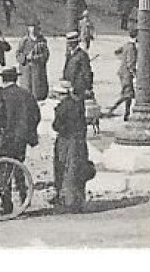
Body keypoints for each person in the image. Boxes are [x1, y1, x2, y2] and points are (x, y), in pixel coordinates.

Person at [0, 65, 40, 215]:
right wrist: (28, 133)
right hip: (21, 140)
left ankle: (7, 205)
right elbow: (36, 116)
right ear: (16, 78)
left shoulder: (1, 94)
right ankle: (24, 199)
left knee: (4, 172)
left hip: (5, 140)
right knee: (19, 167)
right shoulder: (26, 94)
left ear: (2, 78)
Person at [51, 80, 92, 213]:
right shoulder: (77, 104)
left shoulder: (62, 107)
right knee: (77, 169)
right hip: (79, 141)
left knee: (64, 168)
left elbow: (57, 125)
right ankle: (78, 201)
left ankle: (67, 201)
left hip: (66, 141)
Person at [17, 24, 50, 102]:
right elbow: (18, 54)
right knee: (26, 94)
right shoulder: (24, 41)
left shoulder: (42, 41)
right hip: (26, 72)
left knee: (38, 94)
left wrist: (36, 58)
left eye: (34, 27)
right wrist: (25, 58)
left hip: (38, 71)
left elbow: (46, 55)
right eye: (31, 27)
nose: (33, 29)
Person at [109, 35, 138, 121]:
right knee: (127, 94)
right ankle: (113, 108)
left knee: (128, 94)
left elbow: (117, 52)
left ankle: (127, 113)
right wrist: (134, 73)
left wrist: (122, 60)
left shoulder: (126, 45)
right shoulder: (132, 48)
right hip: (127, 74)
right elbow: (130, 63)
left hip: (122, 72)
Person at [61, 31, 94, 99]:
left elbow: (87, 72)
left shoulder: (82, 55)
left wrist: (88, 87)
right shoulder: (69, 55)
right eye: (67, 43)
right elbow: (66, 69)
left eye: (70, 43)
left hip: (79, 88)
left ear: (75, 43)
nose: (68, 45)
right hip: (69, 87)